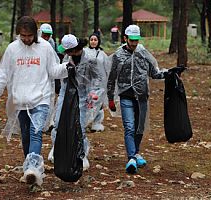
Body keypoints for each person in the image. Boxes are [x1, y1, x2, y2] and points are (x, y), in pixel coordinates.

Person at [0, 16, 68, 186]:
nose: (27, 39)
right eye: (23, 36)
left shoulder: (45, 48)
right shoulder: (12, 49)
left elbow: (53, 70)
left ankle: (33, 169)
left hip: (41, 98)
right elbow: (3, 74)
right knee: (26, 135)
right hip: (20, 100)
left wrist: (70, 66)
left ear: (35, 33)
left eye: (29, 35)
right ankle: (29, 168)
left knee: (35, 133)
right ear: (18, 34)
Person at [107, 25, 168, 174]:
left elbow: (155, 73)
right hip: (126, 96)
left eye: (136, 40)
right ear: (125, 38)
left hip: (141, 96)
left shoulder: (143, 53)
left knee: (139, 128)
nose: (134, 43)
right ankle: (132, 157)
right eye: (131, 40)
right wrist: (110, 99)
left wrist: (170, 73)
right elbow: (112, 78)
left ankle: (136, 152)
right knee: (129, 127)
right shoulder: (118, 55)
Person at [48, 34, 105, 171]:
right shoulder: (68, 58)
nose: (66, 53)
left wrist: (93, 94)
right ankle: (58, 149)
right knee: (58, 123)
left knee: (79, 126)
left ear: (74, 49)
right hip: (65, 93)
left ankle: (81, 154)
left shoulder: (91, 60)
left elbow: (98, 78)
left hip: (83, 95)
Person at [85, 33, 111, 132]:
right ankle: (86, 121)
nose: (93, 41)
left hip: (100, 84)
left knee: (99, 103)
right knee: (88, 103)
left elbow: (107, 68)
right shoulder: (85, 52)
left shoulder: (102, 54)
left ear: (98, 41)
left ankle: (96, 123)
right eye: (91, 39)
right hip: (88, 83)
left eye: (95, 40)